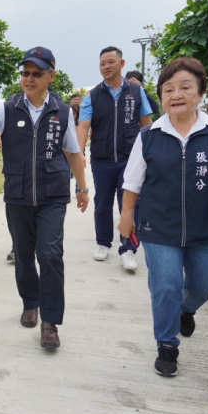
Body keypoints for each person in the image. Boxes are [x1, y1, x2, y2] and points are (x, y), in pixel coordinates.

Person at [0, 47, 89, 350]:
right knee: (23, 255)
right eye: (25, 73)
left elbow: (74, 153)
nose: (29, 79)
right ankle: (30, 303)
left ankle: (50, 322)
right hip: (18, 196)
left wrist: (82, 188)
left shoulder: (62, 112)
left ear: (51, 76)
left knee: (50, 255)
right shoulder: (7, 110)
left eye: (37, 73)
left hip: (52, 196)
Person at [119, 57, 208, 377]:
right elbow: (132, 182)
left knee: (205, 285)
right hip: (158, 226)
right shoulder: (149, 136)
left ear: (201, 92)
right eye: (168, 89)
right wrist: (126, 216)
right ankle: (167, 344)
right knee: (166, 285)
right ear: (161, 96)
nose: (176, 95)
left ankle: (186, 310)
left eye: (185, 87)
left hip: (206, 225)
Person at [76, 47, 153, 271]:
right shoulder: (93, 96)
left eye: (111, 62)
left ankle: (128, 249)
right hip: (102, 159)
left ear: (122, 63)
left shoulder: (137, 92)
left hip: (131, 160)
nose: (106, 66)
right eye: (102, 63)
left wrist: (151, 154)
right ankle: (103, 243)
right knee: (102, 202)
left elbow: (146, 125)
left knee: (130, 204)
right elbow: (83, 126)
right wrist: (80, 153)